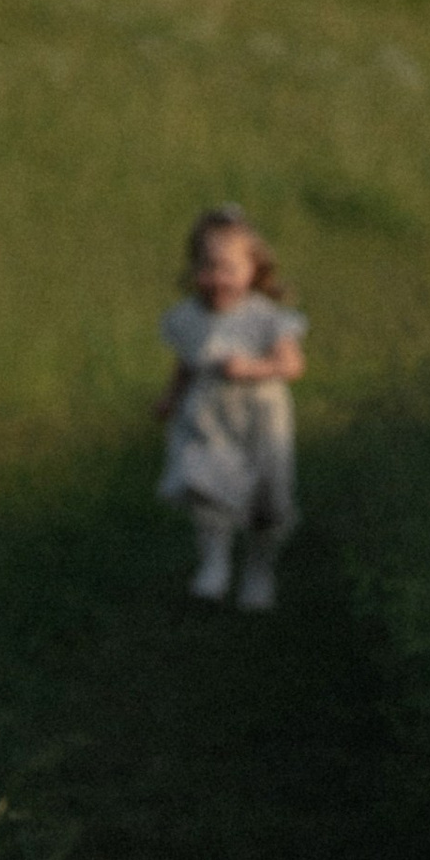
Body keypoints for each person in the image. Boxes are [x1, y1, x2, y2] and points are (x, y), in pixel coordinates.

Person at [155, 207, 306, 612]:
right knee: (207, 488)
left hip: (261, 424)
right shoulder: (190, 317)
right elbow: (186, 363)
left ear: (253, 269)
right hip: (208, 420)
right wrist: (170, 399)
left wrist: (253, 368)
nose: (217, 279)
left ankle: (259, 570)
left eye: (228, 268)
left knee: (266, 502)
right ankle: (214, 563)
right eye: (207, 268)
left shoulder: (266, 317)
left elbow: (292, 365)